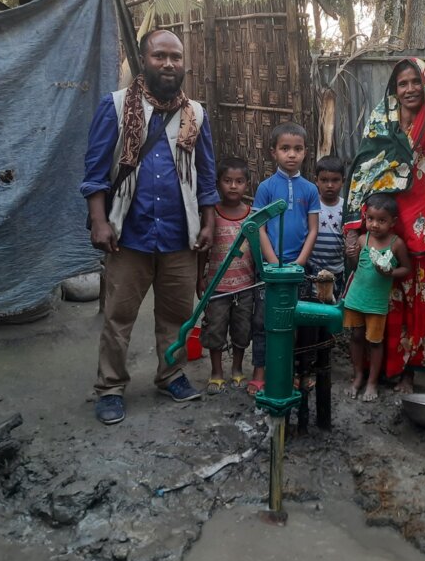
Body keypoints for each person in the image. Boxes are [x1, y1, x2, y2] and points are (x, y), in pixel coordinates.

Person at [81, 29, 218, 425]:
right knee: (118, 316)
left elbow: (206, 177)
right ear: (144, 60)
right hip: (129, 234)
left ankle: (170, 374)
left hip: (180, 235)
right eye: (160, 56)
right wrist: (99, 221)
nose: (169, 63)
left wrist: (208, 225)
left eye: (176, 57)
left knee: (176, 314)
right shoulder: (116, 106)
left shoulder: (197, 113)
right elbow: (94, 173)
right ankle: (110, 387)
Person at [343, 57, 425, 394]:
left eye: (415, 81)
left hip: (418, 228)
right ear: (394, 88)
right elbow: (364, 169)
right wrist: (361, 226)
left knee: (414, 302)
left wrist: (420, 223)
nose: (410, 89)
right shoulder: (381, 119)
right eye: (403, 83)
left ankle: (407, 373)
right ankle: (374, 372)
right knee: (377, 300)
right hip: (382, 223)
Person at [248, 122, 320, 394]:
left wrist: (299, 263)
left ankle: (291, 369)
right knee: (263, 319)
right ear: (273, 152)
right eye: (285, 148)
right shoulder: (266, 187)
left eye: (298, 149)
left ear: (305, 153)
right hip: (270, 268)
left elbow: (313, 229)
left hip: (300, 268)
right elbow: (260, 228)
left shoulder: (310, 190)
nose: (292, 154)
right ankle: (260, 370)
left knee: (296, 319)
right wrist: (273, 264)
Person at [343, 194, 411, 401]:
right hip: (355, 298)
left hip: (376, 303)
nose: (375, 225)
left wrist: (390, 273)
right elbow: (356, 268)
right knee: (355, 337)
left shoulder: (396, 244)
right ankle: (358, 377)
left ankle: (372, 383)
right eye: (370, 219)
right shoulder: (363, 240)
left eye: (382, 220)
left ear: (393, 222)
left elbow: (407, 269)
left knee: (374, 342)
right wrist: (352, 255)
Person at [197, 156, 255, 395]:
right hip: (217, 288)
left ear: (247, 184)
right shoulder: (212, 216)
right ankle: (216, 372)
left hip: (245, 286)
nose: (233, 186)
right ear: (218, 183)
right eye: (228, 181)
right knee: (215, 330)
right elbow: (203, 249)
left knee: (242, 330)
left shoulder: (253, 215)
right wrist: (199, 277)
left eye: (239, 181)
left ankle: (238, 368)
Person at [308, 156, 346, 301]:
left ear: (343, 180)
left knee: (332, 309)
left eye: (335, 180)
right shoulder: (311, 204)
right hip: (312, 270)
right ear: (316, 180)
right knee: (314, 307)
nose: (329, 185)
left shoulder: (346, 207)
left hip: (337, 270)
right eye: (324, 180)